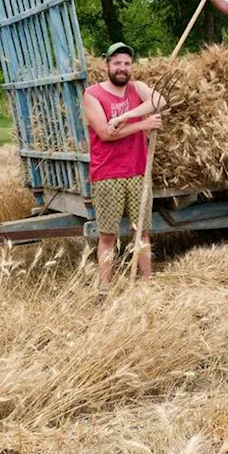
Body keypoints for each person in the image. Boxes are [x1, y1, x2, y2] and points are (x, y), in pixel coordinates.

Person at [82, 42, 164, 296]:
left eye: (127, 64)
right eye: (117, 63)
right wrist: (142, 125)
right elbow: (106, 134)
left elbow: (160, 101)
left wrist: (125, 117)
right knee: (108, 236)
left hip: (138, 171)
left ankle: (147, 284)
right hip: (107, 174)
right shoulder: (92, 95)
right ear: (107, 65)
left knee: (142, 232)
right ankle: (105, 290)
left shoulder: (136, 88)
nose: (122, 68)